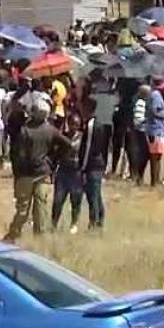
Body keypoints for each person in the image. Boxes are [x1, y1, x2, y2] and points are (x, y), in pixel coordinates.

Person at [4, 98, 71, 242]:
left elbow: (19, 156)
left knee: (23, 209)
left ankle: (13, 235)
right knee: (41, 208)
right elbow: (67, 145)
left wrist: (17, 174)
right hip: (43, 173)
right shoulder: (50, 130)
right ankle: (40, 238)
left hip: (25, 175)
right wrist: (53, 160)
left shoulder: (24, 131)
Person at [52, 113, 84, 234]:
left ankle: (74, 223)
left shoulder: (82, 137)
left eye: (76, 124)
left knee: (75, 199)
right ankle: (54, 223)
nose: (73, 127)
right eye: (71, 124)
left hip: (76, 172)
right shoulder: (62, 137)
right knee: (58, 200)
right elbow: (56, 154)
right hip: (63, 172)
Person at [79, 97, 109, 230]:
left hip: (92, 165)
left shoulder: (92, 125)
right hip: (97, 164)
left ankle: (94, 222)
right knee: (96, 193)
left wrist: (82, 167)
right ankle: (100, 219)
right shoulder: (97, 123)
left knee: (93, 195)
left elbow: (88, 148)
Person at [146, 75, 164, 187]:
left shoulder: (155, 95)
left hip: (158, 129)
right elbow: (154, 110)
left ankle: (156, 180)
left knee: (157, 156)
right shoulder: (155, 95)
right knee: (155, 157)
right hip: (156, 129)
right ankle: (154, 182)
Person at [130, 84, 151, 185]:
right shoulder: (140, 103)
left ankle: (139, 176)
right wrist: (147, 119)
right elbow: (138, 120)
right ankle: (138, 176)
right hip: (140, 132)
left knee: (144, 155)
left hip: (142, 131)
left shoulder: (144, 103)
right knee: (143, 154)